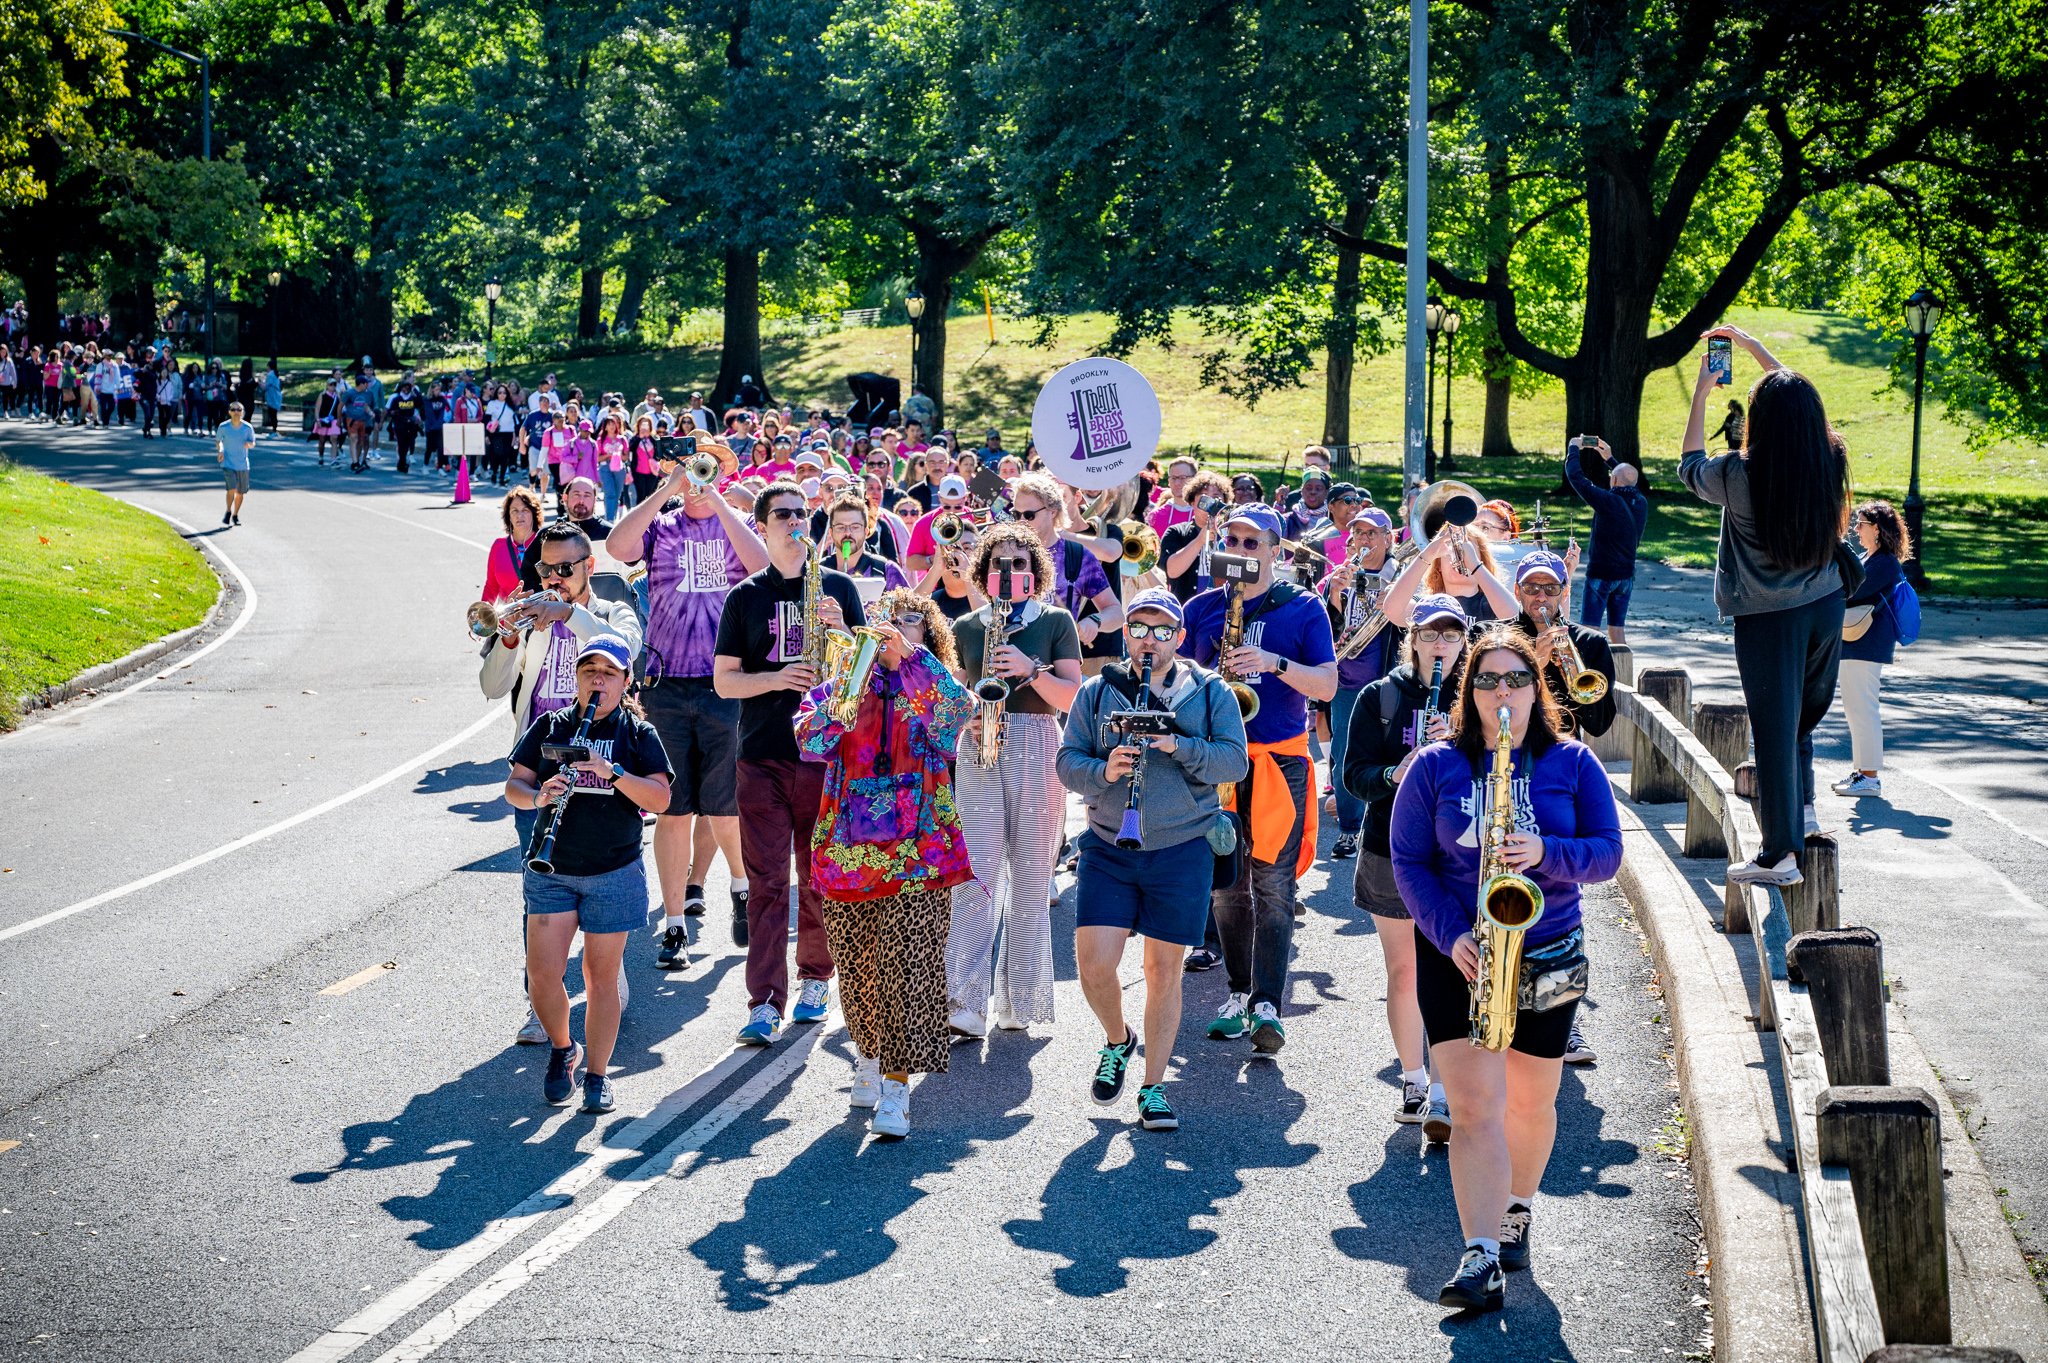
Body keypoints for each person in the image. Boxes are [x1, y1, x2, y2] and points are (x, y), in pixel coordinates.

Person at [1388, 625, 1621, 1312]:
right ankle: (1481, 1253)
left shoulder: (1573, 763)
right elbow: (1409, 862)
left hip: (1548, 947)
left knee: (1530, 1102)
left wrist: (1543, 850)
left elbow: (1607, 853)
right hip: (1457, 955)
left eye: (1515, 678)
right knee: (1473, 1108)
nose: (1501, 691)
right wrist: (1450, 932)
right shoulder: (1436, 766)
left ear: (1536, 686)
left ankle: (1518, 1203)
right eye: (1486, 679)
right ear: (1470, 690)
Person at [1059, 589, 1249, 1131]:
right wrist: (1106, 770)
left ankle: (1153, 1087)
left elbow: (1233, 763)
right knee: (1094, 964)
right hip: (1109, 842)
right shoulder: (1097, 693)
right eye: (1140, 627)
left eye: (1163, 630)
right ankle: (1119, 1040)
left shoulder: (1210, 693)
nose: (1149, 639)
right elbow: (1067, 761)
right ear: (1127, 633)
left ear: (1180, 638)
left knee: (1163, 970)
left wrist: (1176, 745)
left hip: (1181, 845)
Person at [795, 589, 974, 1139]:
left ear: (928, 633)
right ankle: (869, 1057)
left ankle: (897, 1090)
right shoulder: (843, 684)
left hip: (920, 850)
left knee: (911, 968)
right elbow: (811, 739)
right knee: (859, 968)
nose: (896, 631)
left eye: (910, 623)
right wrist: (852, 676)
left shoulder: (930, 685)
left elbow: (956, 719)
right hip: (849, 851)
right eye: (887, 624)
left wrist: (911, 661)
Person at [1680, 324, 1848, 885]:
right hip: (1826, 605)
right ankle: (1796, 820)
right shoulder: (1829, 458)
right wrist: (1755, 350)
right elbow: (1801, 400)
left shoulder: (1737, 473)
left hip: (1767, 619)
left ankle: (1780, 857)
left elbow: (1688, 466)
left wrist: (1703, 393)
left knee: (1774, 730)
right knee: (1798, 722)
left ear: (1760, 421)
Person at [480, 523, 647, 1043]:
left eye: (564, 568)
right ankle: (540, 998)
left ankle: (606, 971)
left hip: (600, 767)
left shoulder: (609, 613)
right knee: (539, 892)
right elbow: (491, 687)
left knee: (603, 879)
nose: (553, 578)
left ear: (588, 566)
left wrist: (568, 614)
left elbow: (627, 646)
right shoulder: (530, 620)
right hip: (542, 769)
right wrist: (508, 641)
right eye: (545, 568)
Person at [1178, 504, 1338, 1045]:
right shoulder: (1201, 607)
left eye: (1253, 542)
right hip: (1215, 764)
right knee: (1225, 888)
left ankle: (1269, 1003)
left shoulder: (1304, 607)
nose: (1243, 551)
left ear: (1276, 549)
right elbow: (1179, 682)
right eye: (1234, 541)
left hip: (1280, 761)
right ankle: (1239, 991)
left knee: (1273, 885)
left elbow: (1328, 686)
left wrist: (1273, 664)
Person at [713, 482, 865, 1045]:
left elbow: (865, 678)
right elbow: (723, 680)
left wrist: (845, 635)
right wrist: (776, 679)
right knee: (768, 880)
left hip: (823, 756)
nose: (796, 522)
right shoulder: (746, 596)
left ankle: (816, 981)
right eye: (784, 515)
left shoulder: (839, 587)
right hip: (762, 754)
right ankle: (763, 1001)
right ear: (763, 525)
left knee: (819, 878)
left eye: (804, 513)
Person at [606, 444, 766, 965]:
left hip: (726, 679)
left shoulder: (737, 520)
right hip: (665, 681)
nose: (700, 477)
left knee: (725, 805)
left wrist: (716, 500)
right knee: (671, 808)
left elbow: (762, 567)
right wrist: (668, 489)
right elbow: (617, 546)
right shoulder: (662, 523)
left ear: (726, 474)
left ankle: (740, 887)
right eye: (695, 467)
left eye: (710, 469)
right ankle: (673, 923)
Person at [505, 636, 673, 1113]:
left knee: (599, 978)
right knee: (542, 974)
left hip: (613, 869)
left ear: (625, 682)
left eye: (609, 673)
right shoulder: (552, 725)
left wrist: (612, 771)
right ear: (576, 678)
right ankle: (564, 1049)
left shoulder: (639, 735)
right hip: (552, 867)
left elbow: (660, 800)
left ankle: (598, 1074)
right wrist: (539, 796)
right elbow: (514, 786)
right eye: (588, 671)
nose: (597, 680)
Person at [945, 523, 1086, 1039]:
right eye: (998, 563)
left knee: (1029, 881)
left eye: (1019, 563)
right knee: (976, 876)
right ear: (984, 573)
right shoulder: (965, 625)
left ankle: (1019, 1000)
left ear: (1035, 573)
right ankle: (964, 1000)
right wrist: (965, 711)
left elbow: (1073, 698)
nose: (1009, 572)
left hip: (1036, 742)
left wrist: (1029, 671)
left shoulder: (1055, 620)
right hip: (981, 742)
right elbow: (955, 693)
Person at [1344, 593, 1469, 1138]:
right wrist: (1400, 771)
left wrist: (1458, 747)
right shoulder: (1380, 696)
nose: (1439, 644)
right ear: (1412, 638)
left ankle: (1444, 1093)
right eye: (1429, 634)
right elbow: (1355, 776)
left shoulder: (1476, 697)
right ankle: (1414, 1079)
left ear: (1464, 641)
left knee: (1450, 969)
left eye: (1450, 635)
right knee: (1403, 971)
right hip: (1390, 846)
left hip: (1457, 852)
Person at [1320, 507, 1400, 860]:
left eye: (1372, 533)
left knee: (1392, 753)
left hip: (1389, 680)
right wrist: (1333, 596)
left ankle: (1387, 827)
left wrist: (1398, 605)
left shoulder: (1402, 576)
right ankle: (1350, 830)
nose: (1364, 540)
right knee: (1343, 755)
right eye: (1359, 534)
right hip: (1347, 682)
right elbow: (1324, 631)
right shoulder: (1340, 575)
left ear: (1389, 538)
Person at [1833, 501, 1913, 799]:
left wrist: (1838, 551)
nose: (1857, 529)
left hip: (1866, 644)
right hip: (1858, 642)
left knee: (1863, 709)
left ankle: (1870, 777)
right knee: (1856, 709)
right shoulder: (1873, 558)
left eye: (1861, 524)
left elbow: (1849, 590)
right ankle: (1862, 771)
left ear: (1877, 529)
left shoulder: (1884, 563)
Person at [1562, 437, 1649, 643]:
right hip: (1626, 577)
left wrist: (1573, 447)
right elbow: (1627, 477)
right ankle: (1624, 672)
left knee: (1590, 629)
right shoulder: (1641, 502)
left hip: (1601, 575)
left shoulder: (1608, 501)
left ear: (1614, 481)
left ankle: (1591, 673)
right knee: (1617, 631)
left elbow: (1576, 476)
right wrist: (1609, 458)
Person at [1158, 474, 1232, 602]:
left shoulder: (1233, 535)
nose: (1211, 503)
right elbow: (1172, 571)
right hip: (1187, 607)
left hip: (1223, 605)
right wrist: (1200, 540)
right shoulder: (1176, 532)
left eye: (1216, 497)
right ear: (1193, 503)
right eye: (1205, 498)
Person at [483, 486, 544, 604]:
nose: (519, 515)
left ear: (534, 513)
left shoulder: (545, 544)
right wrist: (483, 618)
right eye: (514, 511)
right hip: (506, 619)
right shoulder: (498, 546)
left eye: (525, 510)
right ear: (508, 516)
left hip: (538, 618)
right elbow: (491, 587)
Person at [216, 401, 255, 527]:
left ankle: (235, 514)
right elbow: (219, 441)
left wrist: (249, 444)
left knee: (240, 492)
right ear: (229, 412)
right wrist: (221, 450)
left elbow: (252, 443)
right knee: (231, 488)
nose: (236, 412)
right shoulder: (223, 427)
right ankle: (228, 510)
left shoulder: (247, 428)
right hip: (228, 463)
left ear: (242, 412)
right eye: (233, 410)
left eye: (239, 410)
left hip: (242, 464)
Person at [340, 374, 377, 473]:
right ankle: (355, 463)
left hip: (363, 421)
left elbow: (365, 405)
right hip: (351, 420)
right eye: (366, 384)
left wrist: (371, 413)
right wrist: (339, 420)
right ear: (361, 384)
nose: (367, 385)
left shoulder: (367, 394)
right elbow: (340, 406)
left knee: (361, 441)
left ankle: (355, 462)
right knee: (354, 439)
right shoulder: (349, 393)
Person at [262, 362, 283, 434]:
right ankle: (274, 429)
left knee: (272, 413)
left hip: (272, 396)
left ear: (269, 366)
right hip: (276, 395)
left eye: (267, 366)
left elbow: (266, 386)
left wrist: (260, 383)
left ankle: (274, 430)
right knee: (274, 413)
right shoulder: (275, 374)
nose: (266, 368)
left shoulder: (270, 375)